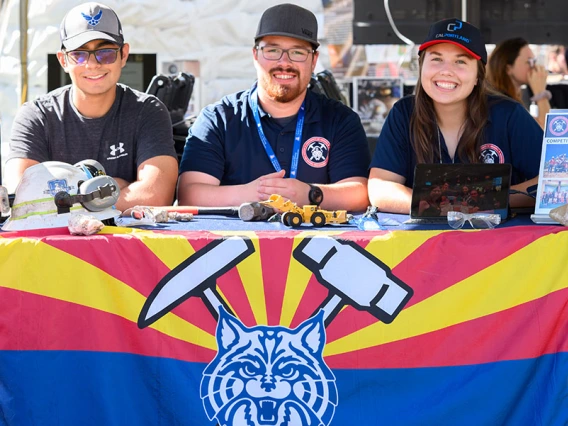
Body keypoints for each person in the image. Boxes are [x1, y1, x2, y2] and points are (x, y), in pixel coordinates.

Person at [177, 3, 371, 211]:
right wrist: (253, 193)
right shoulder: (219, 118)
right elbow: (189, 194)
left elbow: (360, 194)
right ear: (255, 55)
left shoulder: (340, 119)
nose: (284, 62)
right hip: (235, 242)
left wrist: (310, 194)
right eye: (272, 50)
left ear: (314, 60)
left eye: (297, 52)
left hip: (319, 242)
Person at [5, 2, 178, 211]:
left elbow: (156, 195)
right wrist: (111, 187)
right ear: (63, 60)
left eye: (105, 53)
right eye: (79, 54)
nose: (93, 64)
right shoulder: (36, 116)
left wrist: (66, 199)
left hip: (126, 243)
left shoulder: (148, 110)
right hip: (51, 244)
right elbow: (24, 200)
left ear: (124, 55)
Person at [368, 18, 543, 214]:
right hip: (422, 242)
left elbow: (554, 180)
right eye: (436, 59)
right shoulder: (403, 113)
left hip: (501, 242)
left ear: (478, 75)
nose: (446, 71)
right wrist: (451, 205)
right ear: (421, 66)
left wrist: (478, 202)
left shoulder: (509, 114)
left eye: (460, 61)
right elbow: (380, 189)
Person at [487, 37, 551, 129]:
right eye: (529, 61)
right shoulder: (503, 104)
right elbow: (547, 131)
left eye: (534, 61)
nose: (534, 67)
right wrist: (540, 92)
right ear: (508, 69)